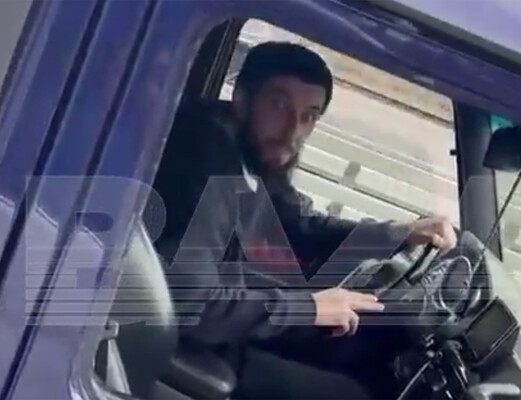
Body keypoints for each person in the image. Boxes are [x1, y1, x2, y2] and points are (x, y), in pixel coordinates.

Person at [151, 41, 457, 399]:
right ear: (242, 98)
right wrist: (310, 307)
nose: (292, 131)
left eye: (309, 115)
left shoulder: (249, 153)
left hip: (222, 330)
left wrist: (399, 234)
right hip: (186, 348)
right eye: (279, 105)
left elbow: (299, 222)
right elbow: (195, 307)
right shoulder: (205, 164)